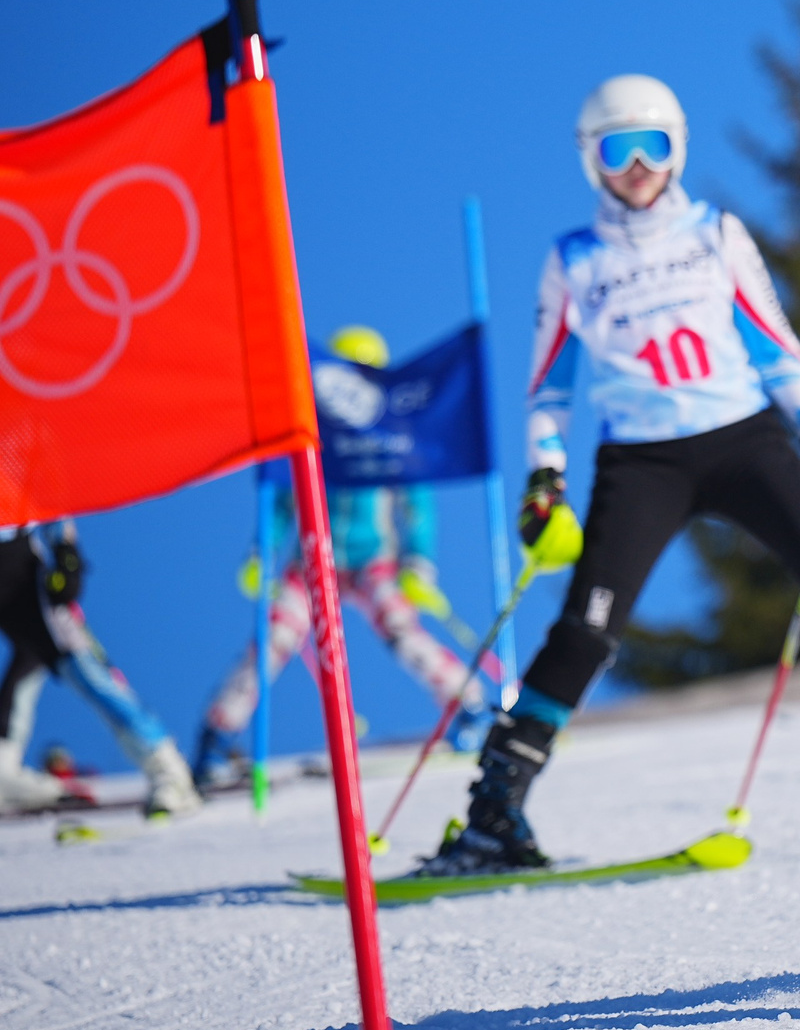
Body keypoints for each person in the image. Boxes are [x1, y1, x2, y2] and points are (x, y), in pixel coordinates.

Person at [417, 75, 800, 876]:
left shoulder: (715, 233)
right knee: (586, 627)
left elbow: (776, 343)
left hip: (743, 438)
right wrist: (545, 477)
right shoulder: (574, 260)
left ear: (677, 149)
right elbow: (549, 384)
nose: (635, 166)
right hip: (641, 459)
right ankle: (495, 809)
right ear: (590, 160)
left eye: (651, 145)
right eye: (614, 149)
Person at [196, 328, 493, 785]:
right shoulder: (313, 438)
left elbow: (417, 507)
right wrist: (261, 553)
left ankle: (470, 707)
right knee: (276, 635)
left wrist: (418, 563)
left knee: (402, 632)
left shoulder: (392, 438)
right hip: (315, 561)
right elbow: (281, 499)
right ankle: (218, 732)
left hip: (376, 559)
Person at [1, 519, 201, 817]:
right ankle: (5, 778)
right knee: (23, 677)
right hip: (10, 607)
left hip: (34, 595)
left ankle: (167, 769)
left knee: (90, 674)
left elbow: (45, 492)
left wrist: (67, 554)